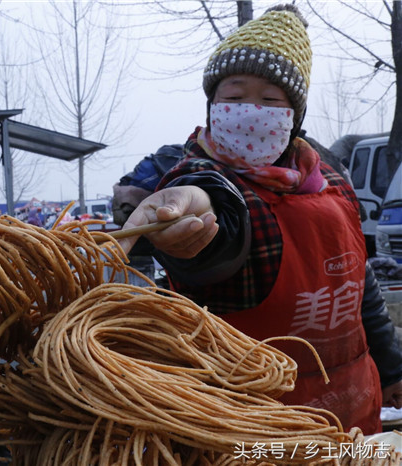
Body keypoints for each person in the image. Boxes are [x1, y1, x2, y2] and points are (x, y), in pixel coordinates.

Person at [119, 4, 402, 435]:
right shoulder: (199, 174)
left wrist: (393, 366)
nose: (251, 111)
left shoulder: (328, 178)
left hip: (350, 418)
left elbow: (359, 285)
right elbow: (217, 230)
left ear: (293, 117)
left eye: (270, 100)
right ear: (213, 106)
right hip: (247, 427)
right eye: (234, 97)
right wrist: (194, 222)